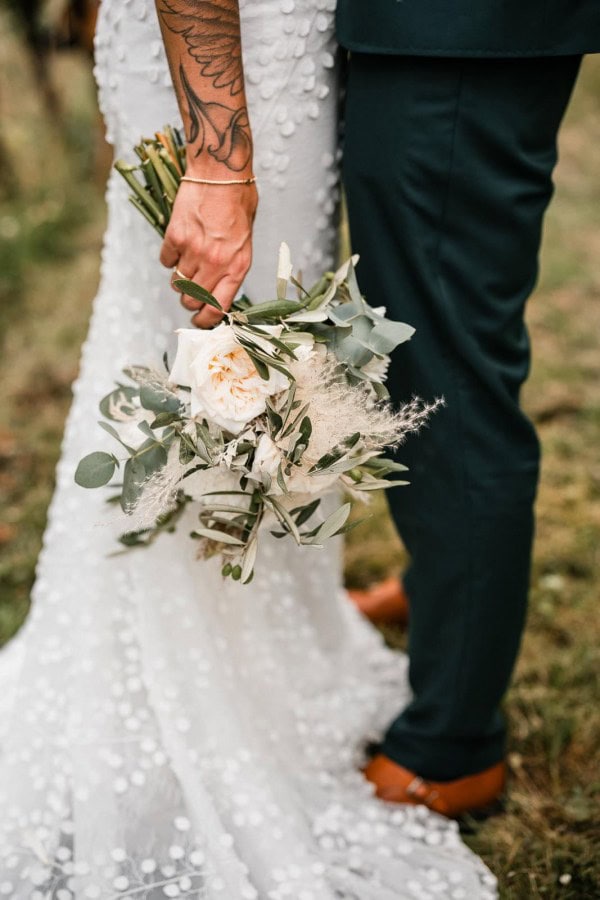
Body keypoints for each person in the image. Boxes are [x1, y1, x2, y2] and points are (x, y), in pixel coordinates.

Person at [0, 1, 498, 897]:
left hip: (291, 52)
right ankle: (181, 690)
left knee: (268, 360)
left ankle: (266, 659)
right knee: (200, 351)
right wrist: (219, 161)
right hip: (231, 67)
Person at [338, 1, 600, 816]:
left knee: (445, 371)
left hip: (455, 22)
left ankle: (454, 744)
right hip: (420, 26)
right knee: (412, 346)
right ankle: (444, 585)